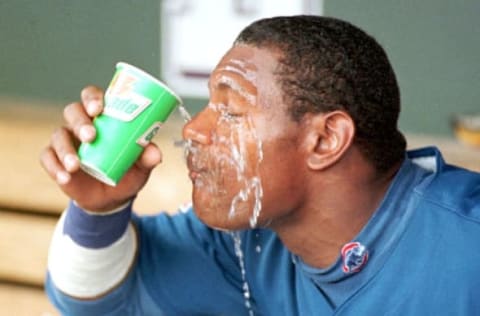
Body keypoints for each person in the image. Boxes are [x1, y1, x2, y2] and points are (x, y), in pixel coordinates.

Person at [40, 15, 480, 315]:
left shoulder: (467, 249)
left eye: (231, 112)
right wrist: (99, 210)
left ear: (326, 139)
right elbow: (94, 303)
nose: (194, 130)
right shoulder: (244, 245)